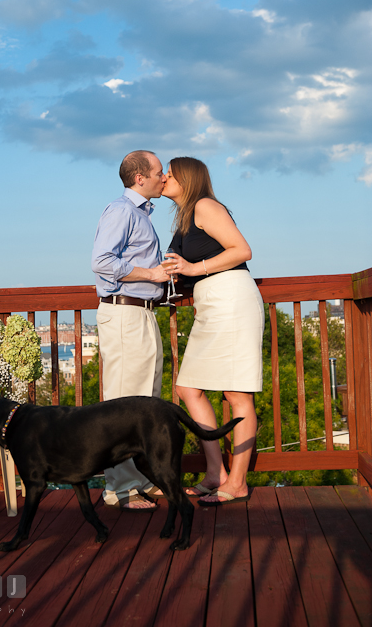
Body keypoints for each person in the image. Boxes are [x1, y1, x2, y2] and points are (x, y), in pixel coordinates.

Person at [161, 157, 264, 504]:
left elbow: (242, 250)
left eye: (170, 174)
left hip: (231, 299)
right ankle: (216, 473)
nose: (163, 178)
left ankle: (236, 483)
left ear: (187, 179)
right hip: (210, 303)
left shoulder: (205, 206)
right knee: (188, 387)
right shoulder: (185, 218)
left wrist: (193, 266)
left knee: (237, 395)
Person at [91, 150, 169, 511]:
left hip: (141, 314)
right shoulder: (121, 211)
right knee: (124, 404)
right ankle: (119, 489)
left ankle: (140, 479)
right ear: (140, 178)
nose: (163, 177)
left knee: (146, 402)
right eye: (158, 172)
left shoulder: (139, 215)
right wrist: (152, 274)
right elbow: (102, 261)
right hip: (125, 315)